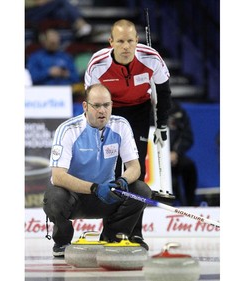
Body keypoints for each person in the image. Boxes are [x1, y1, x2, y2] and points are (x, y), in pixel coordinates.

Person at [84, 19, 172, 239]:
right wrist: (93, 129)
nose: (125, 46)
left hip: (140, 110)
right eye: (120, 41)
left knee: (136, 169)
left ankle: (135, 232)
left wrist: (161, 124)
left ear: (137, 41)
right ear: (111, 42)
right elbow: (91, 101)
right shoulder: (97, 64)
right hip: (109, 111)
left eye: (130, 41)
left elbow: (164, 92)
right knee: (110, 170)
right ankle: (110, 231)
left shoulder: (152, 58)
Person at [43, 83, 152, 257]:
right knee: (55, 196)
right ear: (85, 106)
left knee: (141, 190)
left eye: (106, 105)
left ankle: (112, 237)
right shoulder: (68, 130)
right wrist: (94, 187)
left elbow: (134, 167)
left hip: (107, 195)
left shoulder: (121, 125)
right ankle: (62, 242)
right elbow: (58, 177)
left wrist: (121, 181)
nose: (102, 111)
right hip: (74, 197)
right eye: (97, 106)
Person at [168, 100, 197, 206]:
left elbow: (187, 136)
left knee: (189, 166)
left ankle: (190, 204)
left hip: (174, 155)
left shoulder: (177, 110)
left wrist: (176, 152)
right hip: (151, 157)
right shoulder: (145, 109)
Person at [25, 0, 92, 38]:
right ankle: (81, 24)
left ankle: (78, 29)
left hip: (47, 11)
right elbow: (35, 3)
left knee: (62, 12)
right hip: (31, 14)